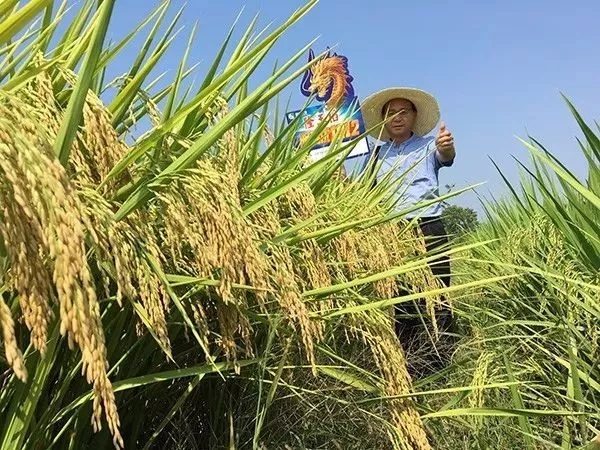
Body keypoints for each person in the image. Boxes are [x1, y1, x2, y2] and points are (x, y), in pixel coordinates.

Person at [360, 87, 457, 374]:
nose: (397, 117)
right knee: (402, 297)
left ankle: (442, 360)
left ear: (414, 116)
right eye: (391, 113)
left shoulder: (428, 147)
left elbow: (446, 155)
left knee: (437, 291)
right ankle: (409, 362)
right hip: (392, 233)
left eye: (404, 112)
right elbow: (362, 191)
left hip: (428, 226)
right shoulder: (376, 155)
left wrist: (446, 146)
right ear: (383, 120)